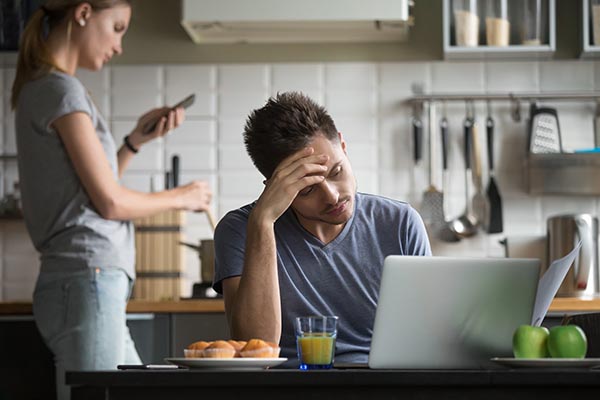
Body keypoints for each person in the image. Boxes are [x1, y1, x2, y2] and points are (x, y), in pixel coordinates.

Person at [10, 1, 212, 398]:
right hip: (88, 279)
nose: (119, 45)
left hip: (85, 281)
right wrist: (181, 197)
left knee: (124, 392)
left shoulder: (45, 87)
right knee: (100, 394)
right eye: (117, 27)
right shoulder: (60, 90)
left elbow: (87, 190)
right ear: (83, 14)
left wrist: (135, 142)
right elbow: (110, 203)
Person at [213, 92, 431, 364]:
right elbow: (256, 350)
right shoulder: (240, 229)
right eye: (307, 190)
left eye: (336, 172)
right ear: (274, 186)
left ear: (342, 144)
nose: (332, 196)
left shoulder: (401, 223)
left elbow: (426, 338)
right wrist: (263, 221)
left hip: (380, 384)